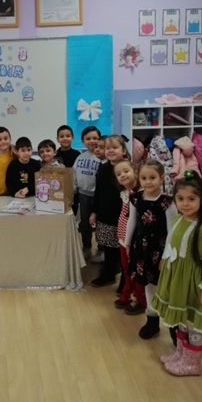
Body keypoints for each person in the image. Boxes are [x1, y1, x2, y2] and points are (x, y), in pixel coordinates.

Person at [152, 172, 202, 377]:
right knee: (182, 320)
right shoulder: (179, 219)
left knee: (194, 324)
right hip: (177, 281)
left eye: (191, 199)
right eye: (180, 198)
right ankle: (181, 355)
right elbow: (172, 242)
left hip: (193, 285)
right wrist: (165, 259)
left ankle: (193, 363)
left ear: (201, 199)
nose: (185, 204)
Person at [124, 159, 177, 340]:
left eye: (152, 177)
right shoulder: (136, 198)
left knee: (166, 287)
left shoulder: (167, 202)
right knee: (149, 285)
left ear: (161, 178)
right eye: (144, 178)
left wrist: (166, 256)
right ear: (138, 178)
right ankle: (152, 321)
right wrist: (128, 243)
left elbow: (172, 231)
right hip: (142, 248)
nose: (148, 182)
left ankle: (173, 325)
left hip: (161, 251)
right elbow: (132, 221)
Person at [90, 134, 129, 287]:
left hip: (123, 216)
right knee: (108, 246)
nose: (110, 150)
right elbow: (98, 191)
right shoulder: (103, 168)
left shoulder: (128, 169)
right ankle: (109, 274)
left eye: (115, 147)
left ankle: (125, 280)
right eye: (107, 148)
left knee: (123, 249)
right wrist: (94, 211)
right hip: (105, 214)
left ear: (123, 150)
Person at [112, 160, 146, 315]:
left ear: (136, 173)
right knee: (126, 270)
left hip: (134, 241)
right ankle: (126, 295)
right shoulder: (125, 193)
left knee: (136, 271)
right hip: (123, 238)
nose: (123, 175)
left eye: (126, 171)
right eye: (119, 174)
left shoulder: (141, 194)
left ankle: (141, 300)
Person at [73, 126, 102, 260]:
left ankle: (101, 249)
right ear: (82, 141)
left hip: (99, 196)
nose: (92, 141)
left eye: (95, 138)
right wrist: (73, 191)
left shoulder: (103, 158)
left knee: (101, 224)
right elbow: (74, 176)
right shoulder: (80, 157)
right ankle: (86, 247)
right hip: (83, 195)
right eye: (88, 138)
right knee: (84, 223)